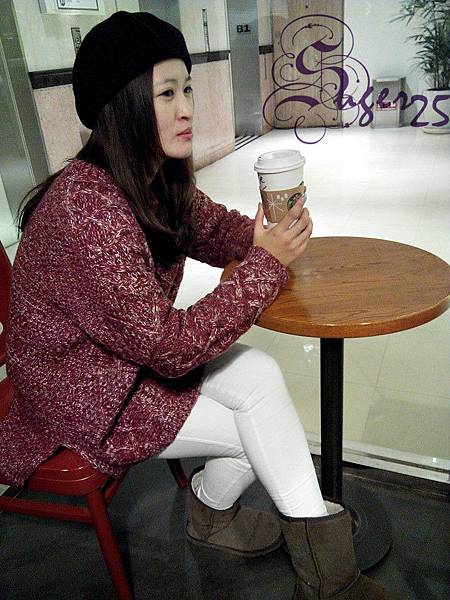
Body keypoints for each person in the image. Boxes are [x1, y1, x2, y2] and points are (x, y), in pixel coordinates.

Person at [0, 11, 401, 600]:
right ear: (122, 107)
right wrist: (265, 265)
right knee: (255, 432)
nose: (187, 107)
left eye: (187, 88)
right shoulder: (86, 211)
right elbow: (170, 348)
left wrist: (260, 237)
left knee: (260, 375)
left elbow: (209, 227)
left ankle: (222, 522)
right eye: (167, 94)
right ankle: (320, 575)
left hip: (124, 363)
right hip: (85, 394)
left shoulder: (152, 175)